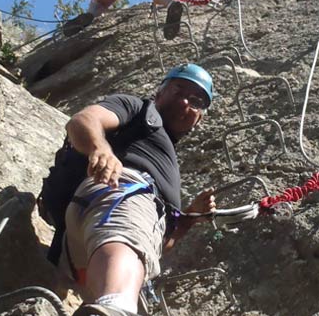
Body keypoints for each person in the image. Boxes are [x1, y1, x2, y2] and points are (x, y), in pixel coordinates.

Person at [51, 63, 216, 316]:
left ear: (200, 118)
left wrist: (190, 218)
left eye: (196, 101)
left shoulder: (165, 154)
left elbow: (154, 242)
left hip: (91, 245)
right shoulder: (139, 109)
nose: (185, 102)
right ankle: (116, 306)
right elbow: (84, 120)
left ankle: (112, 303)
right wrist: (101, 149)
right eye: (178, 89)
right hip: (120, 194)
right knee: (117, 301)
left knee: (124, 271)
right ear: (159, 92)